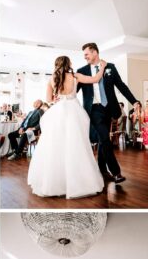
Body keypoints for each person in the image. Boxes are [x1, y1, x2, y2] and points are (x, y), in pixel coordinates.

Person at [28, 55, 108, 197]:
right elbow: (95, 79)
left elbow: (48, 100)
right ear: (68, 63)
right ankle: (78, 182)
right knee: (76, 145)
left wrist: (57, 97)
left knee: (56, 146)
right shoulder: (75, 76)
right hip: (73, 111)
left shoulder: (52, 78)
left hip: (58, 112)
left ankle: (55, 183)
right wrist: (102, 68)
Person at [77, 42, 138, 183]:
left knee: (103, 139)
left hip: (109, 109)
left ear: (95, 52)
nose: (85, 57)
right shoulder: (82, 71)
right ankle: (116, 172)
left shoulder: (110, 67)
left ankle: (102, 170)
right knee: (105, 139)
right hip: (94, 110)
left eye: (86, 54)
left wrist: (134, 101)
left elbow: (121, 86)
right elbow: (74, 91)